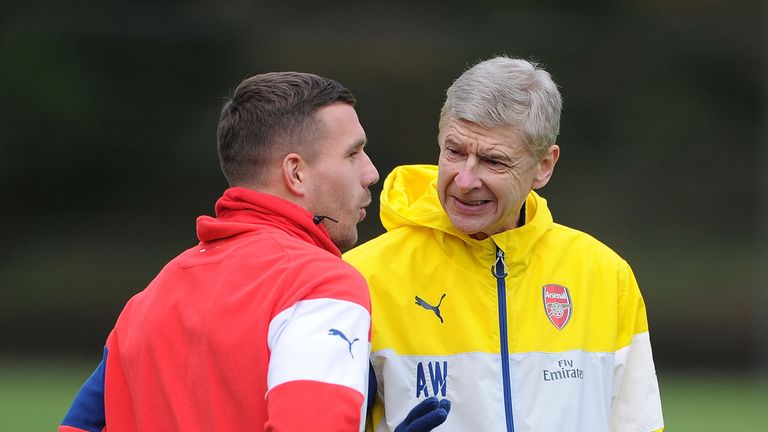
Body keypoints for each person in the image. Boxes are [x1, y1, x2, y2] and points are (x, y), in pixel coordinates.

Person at [58, 72, 449, 432]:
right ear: (295, 172)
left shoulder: (149, 300)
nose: (371, 172)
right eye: (353, 153)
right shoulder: (320, 284)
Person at [344, 56, 665, 432]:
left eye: (493, 161)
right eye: (455, 152)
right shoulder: (359, 278)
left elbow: (638, 425)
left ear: (544, 166)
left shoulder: (606, 276)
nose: (465, 180)